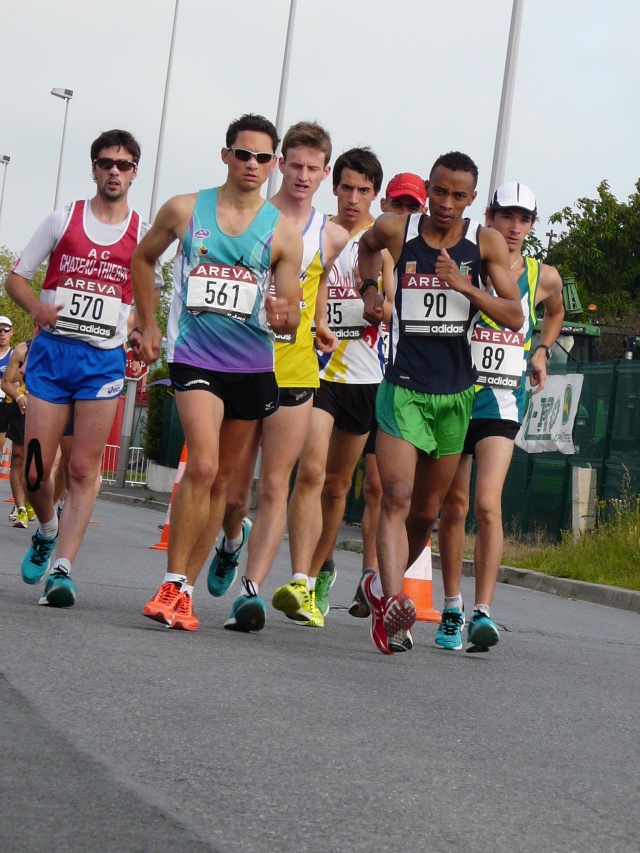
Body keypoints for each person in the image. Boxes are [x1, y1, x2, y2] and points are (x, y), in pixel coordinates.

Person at [136, 113, 303, 632]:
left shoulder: (283, 232)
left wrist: (286, 315)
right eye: (243, 153)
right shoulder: (186, 209)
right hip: (195, 356)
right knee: (203, 467)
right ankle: (170, 581)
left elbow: (292, 306)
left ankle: (185, 589)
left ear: (273, 164)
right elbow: (143, 260)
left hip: (250, 365)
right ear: (226, 154)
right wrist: (147, 323)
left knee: (225, 483)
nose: (252, 165)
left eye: (262, 157)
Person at [358, 151, 524, 654]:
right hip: (403, 386)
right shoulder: (397, 231)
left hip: (456, 396)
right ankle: (390, 605)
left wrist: (463, 287)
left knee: (425, 514)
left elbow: (514, 314)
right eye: (439, 192)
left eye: (458, 196)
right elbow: (366, 248)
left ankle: (380, 589)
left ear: (472, 200)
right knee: (397, 495)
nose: (446, 203)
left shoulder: (484, 244)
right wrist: (369, 288)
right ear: (427, 188)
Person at [203, 121, 348, 632]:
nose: (304, 175)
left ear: (325, 172)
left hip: (296, 371)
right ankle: (230, 540)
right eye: (296, 165)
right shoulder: (251, 217)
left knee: (276, 485)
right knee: (232, 489)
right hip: (241, 366)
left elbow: (320, 284)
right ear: (280, 164)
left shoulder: (331, 234)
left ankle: (250, 592)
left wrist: (322, 323)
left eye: (314, 168)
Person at [4, 129, 159, 607]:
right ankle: (46, 529)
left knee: (82, 467)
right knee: (34, 472)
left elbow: (141, 297)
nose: (114, 170)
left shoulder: (143, 232)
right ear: (93, 168)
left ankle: (63, 569)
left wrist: (139, 328)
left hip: (102, 361)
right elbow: (15, 278)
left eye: (124, 164)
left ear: (135, 172)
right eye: (106, 162)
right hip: (54, 354)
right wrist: (39, 307)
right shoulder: (62, 218)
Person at [435, 182, 564, 651]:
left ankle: (483, 611)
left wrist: (543, 351)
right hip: (454, 395)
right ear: (489, 214)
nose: (513, 227)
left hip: (503, 403)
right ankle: (451, 606)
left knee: (487, 503)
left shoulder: (542, 274)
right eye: (506, 216)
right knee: (454, 506)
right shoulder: (466, 258)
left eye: (523, 219)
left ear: (532, 224)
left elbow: (555, 311)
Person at [272, 147, 393, 627]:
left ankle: (323, 572)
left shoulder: (381, 244)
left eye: (364, 190)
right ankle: (301, 578)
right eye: (346, 186)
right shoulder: (321, 234)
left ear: (374, 195)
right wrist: (320, 316)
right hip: (319, 372)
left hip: (366, 377)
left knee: (340, 484)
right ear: (333, 185)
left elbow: (394, 299)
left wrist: (379, 303)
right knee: (312, 473)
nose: (353, 197)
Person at [345, 173, 428, 618]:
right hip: (366, 376)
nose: (404, 213)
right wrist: (369, 293)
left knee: (397, 492)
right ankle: (355, 575)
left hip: (410, 385)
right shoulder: (375, 250)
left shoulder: (428, 256)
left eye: (412, 206)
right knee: (363, 484)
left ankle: (376, 579)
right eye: (398, 204)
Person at [1, 336, 32, 528]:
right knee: (18, 457)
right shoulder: (22, 350)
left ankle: (37, 502)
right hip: (23, 410)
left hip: (51, 410)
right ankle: (20, 510)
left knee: (48, 462)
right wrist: (19, 396)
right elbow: (5, 382)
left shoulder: (63, 346)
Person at [0, 315, 14, 458]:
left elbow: (19, 383)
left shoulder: (15, 355)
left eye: (6, 329)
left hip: (4, 404)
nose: (2, 333)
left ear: (12, 332)